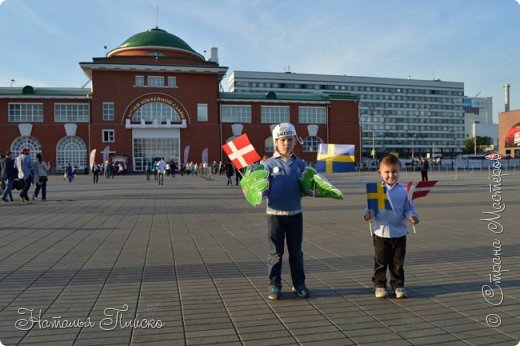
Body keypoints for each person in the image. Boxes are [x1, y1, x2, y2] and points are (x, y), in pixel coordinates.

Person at [262, 123, 310, 300]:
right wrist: (253, 191)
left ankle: (299, 284)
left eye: (290, 139)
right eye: (282, 140)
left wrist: (314, 190)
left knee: (296, 252)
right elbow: (262, 189)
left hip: (295, 214)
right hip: (274, 215)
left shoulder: (301, 164)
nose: (286, 143)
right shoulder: (267, 165)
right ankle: (274, 285)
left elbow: (306, 187)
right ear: (276, 142)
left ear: (295, 141)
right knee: (275, 252)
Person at [364, 154, 419, 299]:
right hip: (381, 233)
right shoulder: (376, 190)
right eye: (387, 172)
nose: (391, 175)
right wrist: (368, 215)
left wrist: (412, 217)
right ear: (380, 173)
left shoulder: (405, 190)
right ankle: (380, 285)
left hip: (399, 233)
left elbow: (409, 208)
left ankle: (398, 285)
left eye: (394, 171)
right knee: (380, 262)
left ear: (400, 171)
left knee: (397, 263)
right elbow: (370, 208)